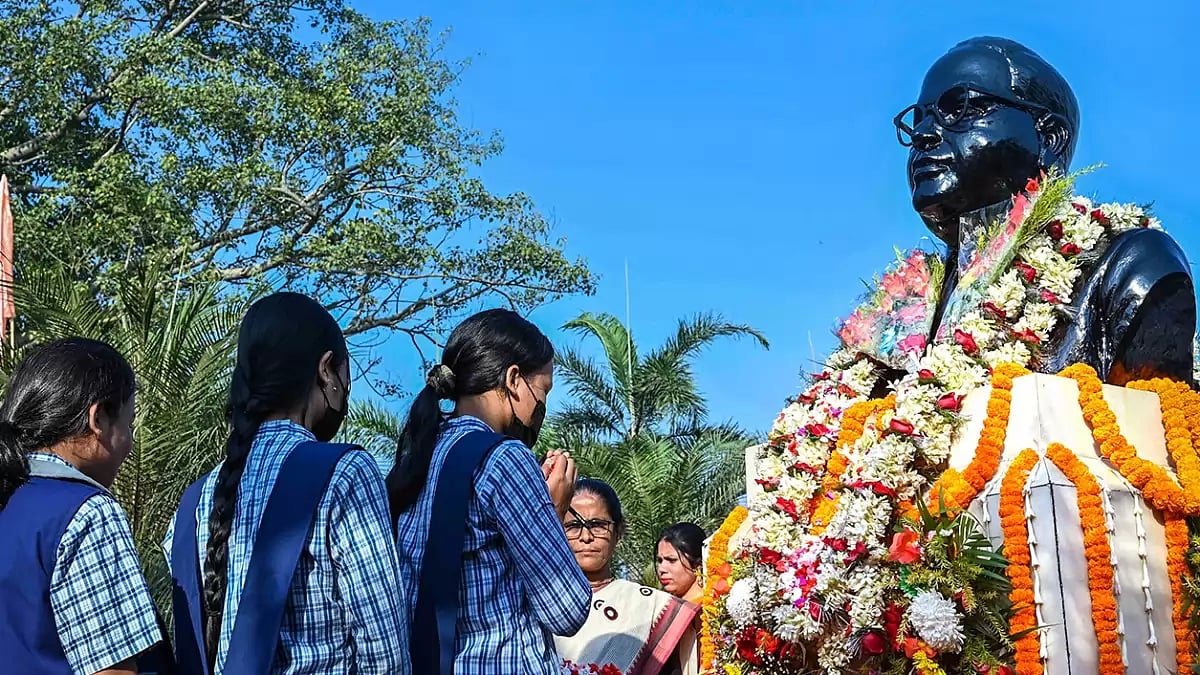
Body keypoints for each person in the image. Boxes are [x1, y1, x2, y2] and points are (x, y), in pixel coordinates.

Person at [166, 292, 409, 674]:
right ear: (326, 370)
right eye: (347, 376)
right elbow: (385, 653)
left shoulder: (195, 501)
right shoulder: (343, 473)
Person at [389, 308, 590, 674]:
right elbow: (566, 609)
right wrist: (553, 512)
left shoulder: (419, 454)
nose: (541, 407)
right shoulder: (505, 458)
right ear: (514, 379)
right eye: (543, 390)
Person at [0, 337, 166, 674]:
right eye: (128, 423)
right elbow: (112, 670)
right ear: (99, 418)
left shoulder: (12, 500)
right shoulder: (86, 513)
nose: (129, 444)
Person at [555, 479, 700, 675]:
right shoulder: (538, 604)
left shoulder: (652, 608)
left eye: (597, 525)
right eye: (573, 526)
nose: (586, 537)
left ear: (618, 532)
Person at [656, 523, 706, 604]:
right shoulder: (661, 609)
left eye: (671, 560)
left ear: (697, 565)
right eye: (660, 560)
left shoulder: (712, 611)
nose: (661, 569)